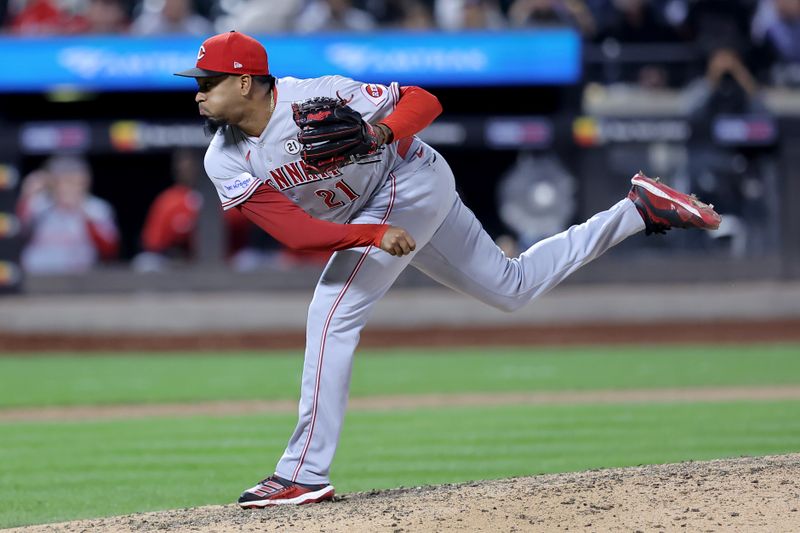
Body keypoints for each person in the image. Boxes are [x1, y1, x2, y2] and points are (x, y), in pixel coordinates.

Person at [175, 30, 721, 507]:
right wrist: (372, 234)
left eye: (207, 82)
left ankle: (302, 474)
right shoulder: (224, 157)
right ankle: (636, 210)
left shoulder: (313, 96)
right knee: (511, 288)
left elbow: (422, 100)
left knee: (331, 312)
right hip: (377, 212)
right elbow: (297, 232)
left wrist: (378, 133)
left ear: (246, 83)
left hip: (407, 178)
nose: (198, 93)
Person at [16, 155, 119, 274]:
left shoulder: (96, 208)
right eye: (63, 180)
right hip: (37, 275)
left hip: (81, 278)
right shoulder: (38, 204)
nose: (68, 186)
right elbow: (16, 233)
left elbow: (109, 250)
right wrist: (27, 195)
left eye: (74, 181)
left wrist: (83, 214)